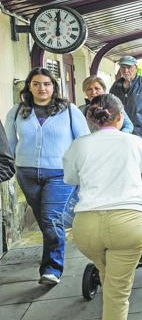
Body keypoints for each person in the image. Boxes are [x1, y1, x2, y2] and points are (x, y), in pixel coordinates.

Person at [63, 94, 142, 320]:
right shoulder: (134, 142)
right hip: (127, 224)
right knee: (118, 293)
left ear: (91, 120)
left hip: (86, 227)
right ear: (121, 118)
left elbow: (70, 178)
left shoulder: (79, 145)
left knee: (110, 281)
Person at [5, 68, 90, 285]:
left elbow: (83, 141)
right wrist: (10, 166)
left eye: (46, 84)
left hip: (59, 173)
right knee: (46, 221)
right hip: (27, 172)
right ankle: (51, 256)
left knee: (50, 218)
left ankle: (51, 269)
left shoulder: (69, 110)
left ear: (54, 86)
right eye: (36, 84)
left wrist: (82, 169)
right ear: (29, 87)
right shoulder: (17, 112)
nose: (42, 88)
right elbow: (8, 144)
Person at [109, 55, 142, 151]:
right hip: (123, 135)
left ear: (136, 68)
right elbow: (110, 106)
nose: (125, 71)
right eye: (123, 67)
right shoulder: (115, 86)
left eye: (129, 67)